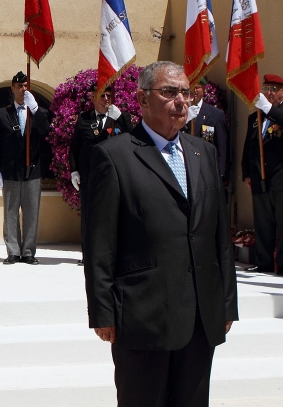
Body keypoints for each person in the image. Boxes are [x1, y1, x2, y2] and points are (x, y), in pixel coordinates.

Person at [85, 61, 238, 407]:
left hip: (202, 317)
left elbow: (219, 238)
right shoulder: (113, 156)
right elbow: (100, 244)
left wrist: (227, 302)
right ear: (141, 99)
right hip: (143, 318)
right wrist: (103, 312)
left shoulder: (205, 153)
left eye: (185, 92)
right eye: (169, 92)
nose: (181, 100)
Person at [0, 72, 49, 265]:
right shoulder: (2, 113)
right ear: (12, 89)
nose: (23, 89)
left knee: (32, 212)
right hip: (11, 170)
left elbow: (45, 131)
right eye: (19, 86)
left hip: (32, 169)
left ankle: (29, 252)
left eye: (26, 86)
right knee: (11, 212)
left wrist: (35, 109)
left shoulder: (37, 112)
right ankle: (13, 251)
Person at [69, 84, 132, 265]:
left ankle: (110, 254)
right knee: (89, 218)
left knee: (112, 216)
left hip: (113, 177)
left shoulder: (120, 118)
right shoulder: (84, 118)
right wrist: (74, 170)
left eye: (108, 96)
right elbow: (75, 147)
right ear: (93, 97)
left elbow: (134, 140)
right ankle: (88, 254)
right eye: (102, 96)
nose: (106, 99)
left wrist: (120, 119)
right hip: (89, 176)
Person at [242, 73, 283, 275]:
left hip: (279, 178)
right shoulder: (255, 118)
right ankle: (264, 262)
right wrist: (247, 173)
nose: (269, 93)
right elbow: (248, 147)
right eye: (266, 89)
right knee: (263, 223)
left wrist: (269, 109)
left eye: (273, 90)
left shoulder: (278, 113)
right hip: (260, 179)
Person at [185, 78, 228, 182]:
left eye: (198, 87)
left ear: (204, 89)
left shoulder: (215, 114)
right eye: (191, 87)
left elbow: (221, 146)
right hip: (184, 166)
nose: (194, 90)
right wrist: (185, 119)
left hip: (206, 169)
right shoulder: (179, 112)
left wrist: (221, 173)